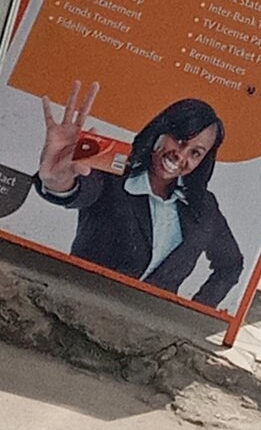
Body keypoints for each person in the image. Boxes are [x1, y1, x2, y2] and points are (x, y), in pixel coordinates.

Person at [34, 80, 243, 308]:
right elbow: (78, 189)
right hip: (74, 304)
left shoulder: (204, 207)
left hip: (141, 327)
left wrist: (195, 310)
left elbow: (231, 264)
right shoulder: (114, 167)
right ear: (160, 132)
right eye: (180, 140)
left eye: (196, 153)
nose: (181, 156)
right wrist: (56, 179)